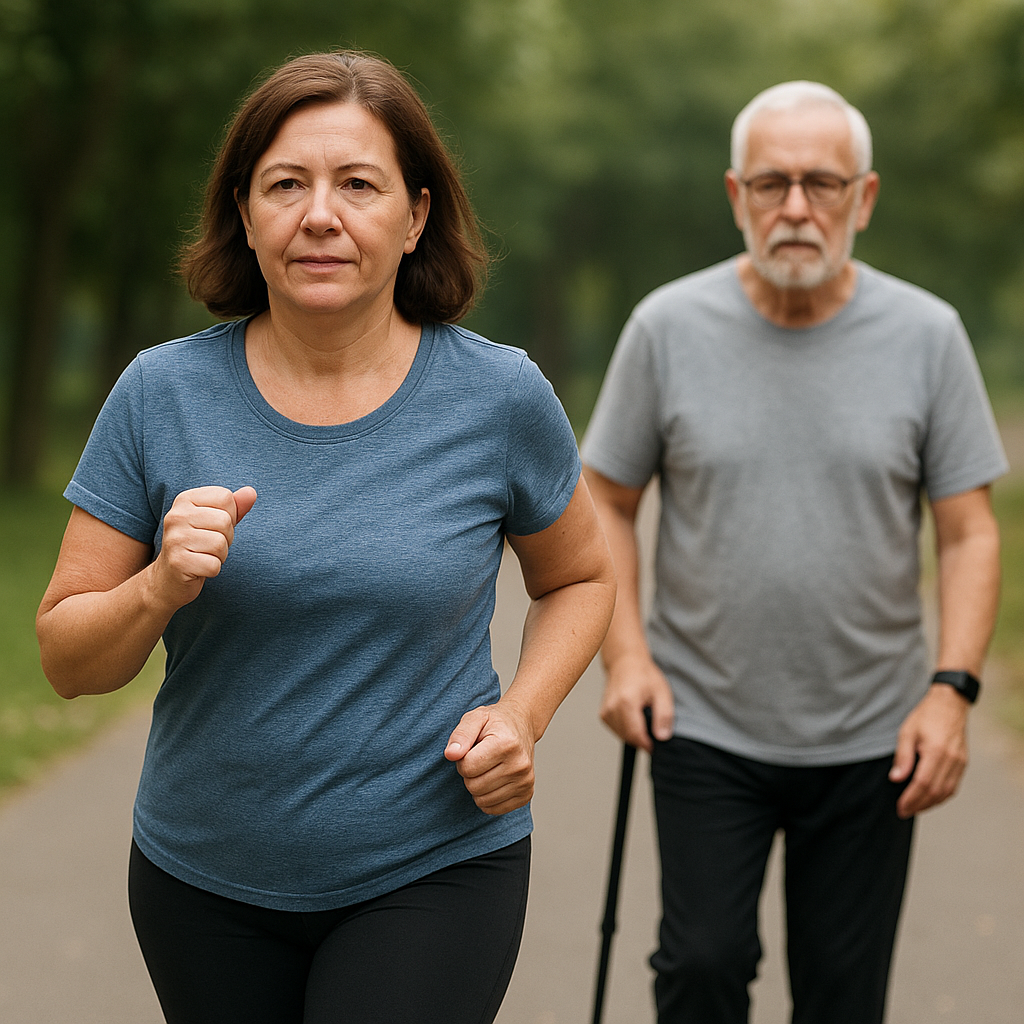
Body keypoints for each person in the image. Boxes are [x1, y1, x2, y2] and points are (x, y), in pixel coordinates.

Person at [36, 50, 615, 1024]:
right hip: (202, 878)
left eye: (357, 184)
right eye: (285, 184)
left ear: (415, 214)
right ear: (244, 211)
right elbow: (64, 658)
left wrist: (522, 713)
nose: (320, 215)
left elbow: (582, 577)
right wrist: (154, 588)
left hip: (435, 865)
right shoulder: (157, 394)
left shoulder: (499, 396)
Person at [581, 80, 1006, 1024]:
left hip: (874, 734)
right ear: (736, 196)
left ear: (866, 196)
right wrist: (628, 658)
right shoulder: (666, 327)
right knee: (699, 967)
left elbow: (969, 528)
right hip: (700, 720)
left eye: (823, 182)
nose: (798, 208)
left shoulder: (928, 336)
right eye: (773, 184)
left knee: (842, 998)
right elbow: (605, 500)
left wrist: (953, 691)